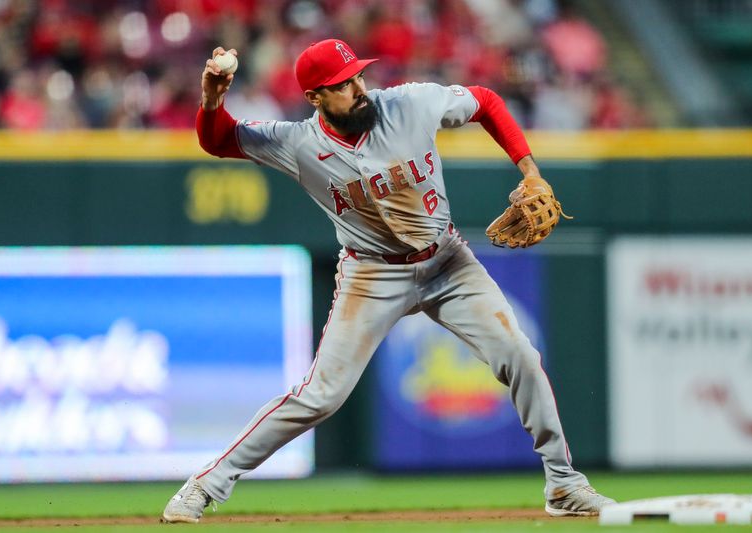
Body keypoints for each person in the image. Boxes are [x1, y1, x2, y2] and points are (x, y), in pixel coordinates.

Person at [162, 39, 615, 523]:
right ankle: (205, 485)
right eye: (343, 84)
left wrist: (529, 168)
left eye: (359, 75)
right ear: (315, 97)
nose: (359, 88)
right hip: (371, 273)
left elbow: (485, 101)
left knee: (521, 355)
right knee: (321, 395)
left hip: (447, 261)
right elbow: (218, 140)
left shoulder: (410, 102)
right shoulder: (296, 142)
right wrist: (212, 99)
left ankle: (564, 483)